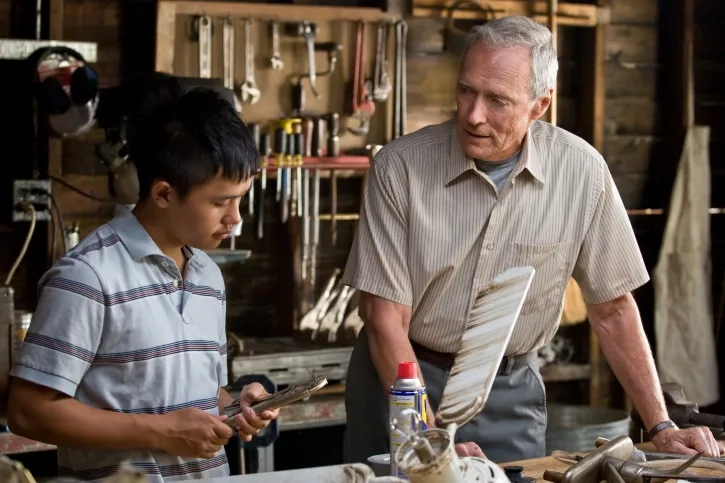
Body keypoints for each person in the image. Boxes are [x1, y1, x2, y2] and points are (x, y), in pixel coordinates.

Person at [341, 15, 723, 464]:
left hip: (509, 393)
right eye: (466, 90)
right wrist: (426, 436)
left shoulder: (582, 172)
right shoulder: (399, 168)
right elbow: (384, 317)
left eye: (497, 100)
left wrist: (660, 425)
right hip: (400, 381)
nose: (473, 114)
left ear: (540, 105)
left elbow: (613, 310)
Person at [7, 78, 278, 481]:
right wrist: (162, 433)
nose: (235, 219)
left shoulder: (208, 275)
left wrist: (235, 405)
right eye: (220, 202)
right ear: (164, 193)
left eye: (241, 199)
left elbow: (186, 400)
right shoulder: (88, 275)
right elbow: (28, 411)